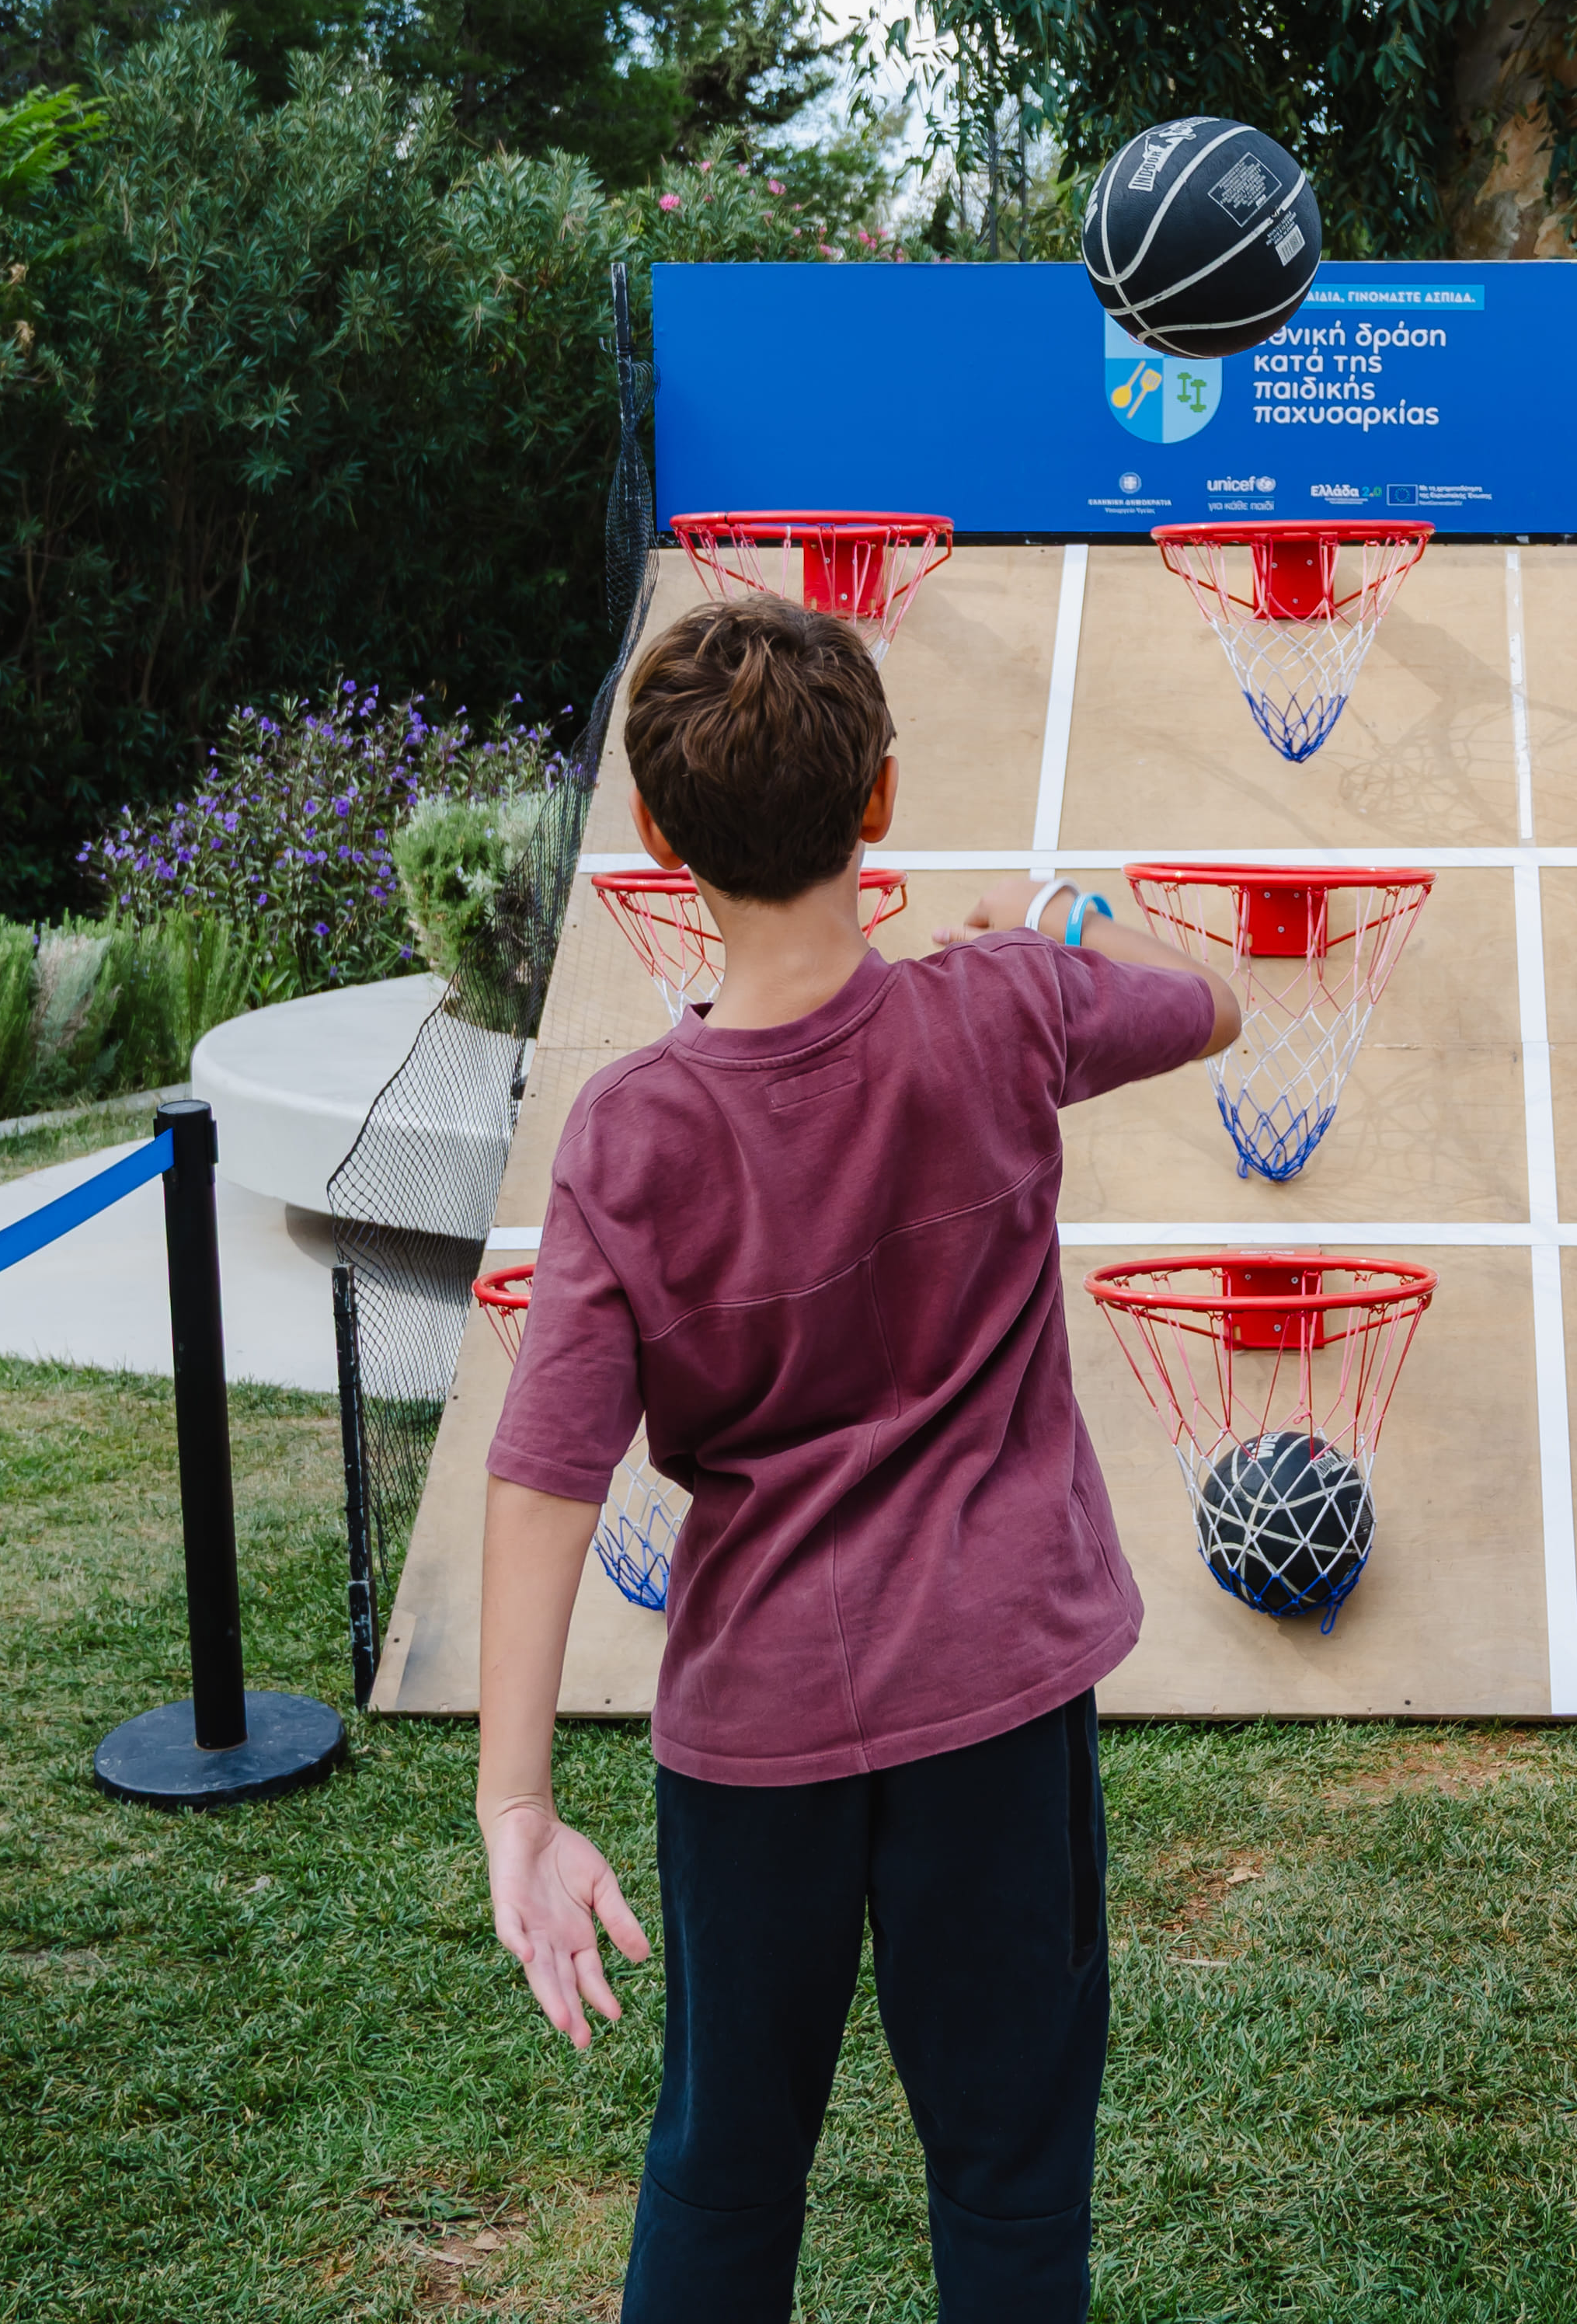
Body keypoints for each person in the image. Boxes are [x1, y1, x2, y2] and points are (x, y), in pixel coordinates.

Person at [471, 591, 1241, 2322]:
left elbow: (548, 1475)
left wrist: (516, 1799)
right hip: (1000, 1699)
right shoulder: (1005, 1006)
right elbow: (1220, 1003)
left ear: (655, 837)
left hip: (756, 1736)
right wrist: (1056, 913)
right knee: (1013, 2185)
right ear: (879, 797)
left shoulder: (628, 1132)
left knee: (724, 2172)